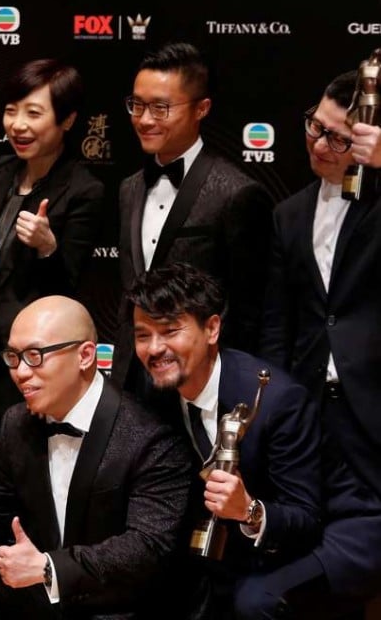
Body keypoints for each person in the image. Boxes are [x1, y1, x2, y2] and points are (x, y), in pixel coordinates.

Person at [0, 295, 196, 618]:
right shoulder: (17, 422)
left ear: (85, 356)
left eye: (35, 356)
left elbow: (147, 547)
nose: (20, 372)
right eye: (13, 357)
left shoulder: (149, 435)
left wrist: (50, 567)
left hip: (114, 604)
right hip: (44, 597)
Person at [128, 262, 324, 617]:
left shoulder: (277, 401)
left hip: (279, 546)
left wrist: (249, 510)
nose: (154, 349)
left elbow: (307, 518)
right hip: (204, 543)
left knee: (249, 603)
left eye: (170, 331)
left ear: (212, 328)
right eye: (143, 335)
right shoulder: (153, 389)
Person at [0, 59, 104, 442]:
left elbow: (69, 290)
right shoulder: (0, 171)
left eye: (33, 113)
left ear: (67, 120)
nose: (17, 125)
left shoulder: (84, 190)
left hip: (33, 356)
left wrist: (48, 248)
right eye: (11, 111)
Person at [112, 41, 272, 395]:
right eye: (137, 105)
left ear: (202, 108)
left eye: (161, 108)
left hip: (201, 380)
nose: (144, 119)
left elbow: (247, 310)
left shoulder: (236, 193)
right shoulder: (128, 188)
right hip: (132, 379)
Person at [260, 70, 381, 501]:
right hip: (307, 409)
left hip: (370, 409)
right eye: (316, 127)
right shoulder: (288, 214)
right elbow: (278, 324)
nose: (319, 145)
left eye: (339, 139)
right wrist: (273, 403)